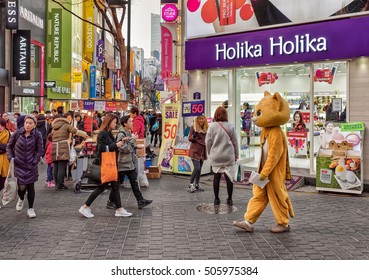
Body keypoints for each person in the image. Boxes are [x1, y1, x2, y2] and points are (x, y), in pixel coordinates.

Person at [79, 113, 132, 218]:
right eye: (114, 122)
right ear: (109, 122)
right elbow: (102, 149)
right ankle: (85, 207)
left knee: (115, 186)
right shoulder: (103, 133)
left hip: (110, 163)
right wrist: (116, 145)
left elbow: (111, 146)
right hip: (106, 164)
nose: (115, 124)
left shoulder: (108, 133)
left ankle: (119, 209)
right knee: (102, 187)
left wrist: (121, 142)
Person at [106, 115, 153, 209]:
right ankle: (111, 201)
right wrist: (133, 141)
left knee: (133, 181)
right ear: (125, 123)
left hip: (128, 163)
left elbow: (128, 146)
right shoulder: (121, 134)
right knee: (117, 184)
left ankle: (140, 201)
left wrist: (136, 146)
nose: (132, 123)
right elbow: (123, 148)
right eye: (130, 121)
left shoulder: (128, 132)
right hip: (122, 163)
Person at [6, 115, 43, 218]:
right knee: (21, 188)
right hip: (19, 164)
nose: (28, 125)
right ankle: (21, 198)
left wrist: (35, 160)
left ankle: (30, 208)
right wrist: (11, 159)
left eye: (30, 123)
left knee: (31, 186)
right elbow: (9, 146)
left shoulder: (37, 135)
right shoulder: (17, 133)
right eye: (26, 122)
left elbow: (40, 149)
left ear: (34, 125)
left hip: (31, 165)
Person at [205, 106, 238, 206]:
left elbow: (208, 141)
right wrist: (236, 154)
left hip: (216, 155)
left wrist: (210, 152)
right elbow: (235, 142)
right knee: (229, 178)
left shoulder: (212, 126)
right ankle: (229, 199)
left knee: (216, 177)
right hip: (228, 155)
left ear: (216, 115)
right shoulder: (231, 126)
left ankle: (216, 199)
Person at [51, 114, 89, 191]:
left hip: (55, 146)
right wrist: (85, 134)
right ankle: (60, 185)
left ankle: (57, 184)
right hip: (63, 146)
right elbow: (75, 131)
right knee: (62, 166)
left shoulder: (54, 127)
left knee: (56, 165)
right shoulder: (66, 125)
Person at [188, 115, 208, 193]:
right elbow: (189, 138)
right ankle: (190, 184)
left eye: (202, 118)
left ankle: (197, 184)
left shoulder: (206, 128)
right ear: (197, 120)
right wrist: (194, 136)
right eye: (199, 118)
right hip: (195, 150)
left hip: (202, 151)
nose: (201, 120)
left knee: (200, 170)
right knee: (197, 168)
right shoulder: (194, 127)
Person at [0, 117, 11, 206]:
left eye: (2, 125)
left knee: (3, 182)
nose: (0, 127)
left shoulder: (8, 134)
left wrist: (4, 147)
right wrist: (3, 147)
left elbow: (9, 147)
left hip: (5, 161)